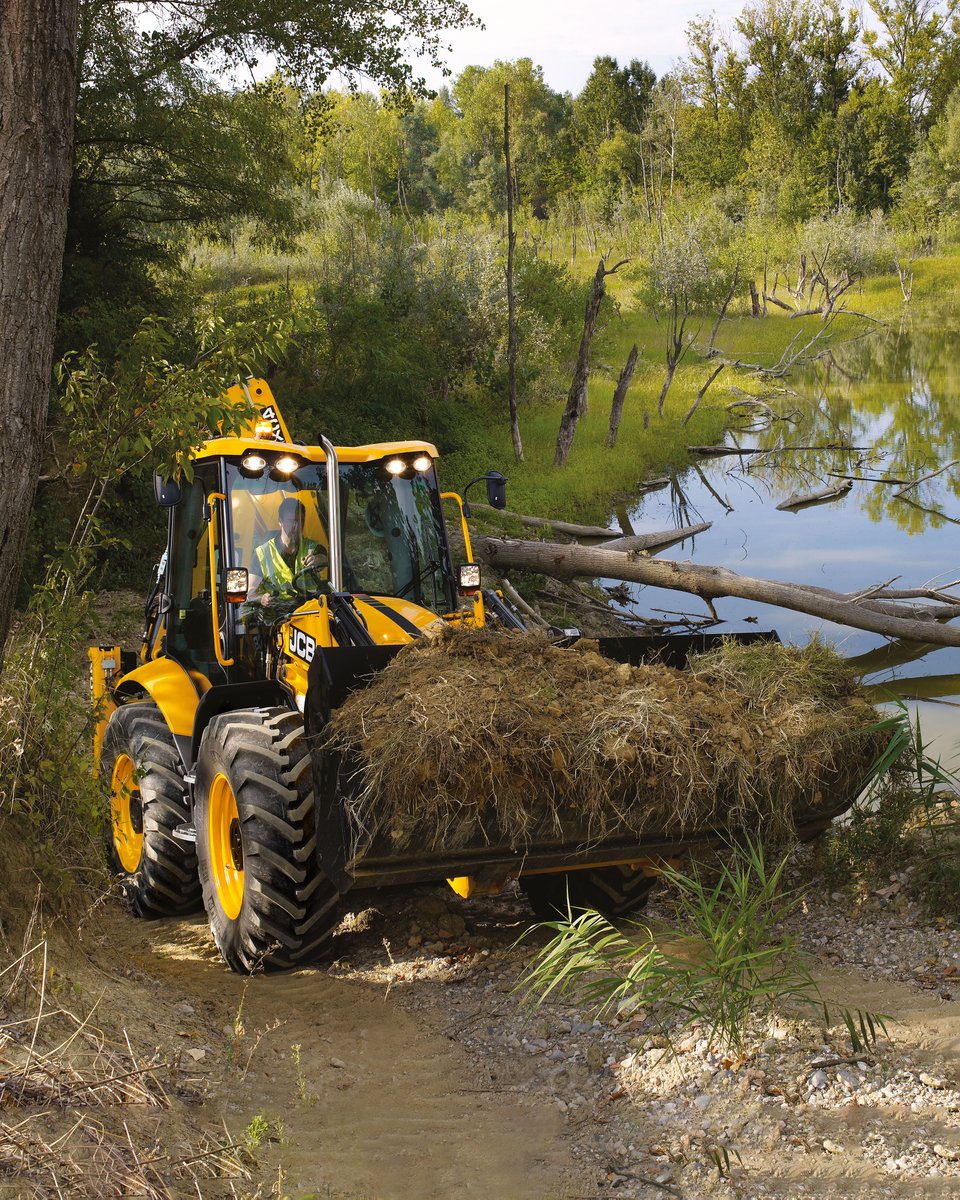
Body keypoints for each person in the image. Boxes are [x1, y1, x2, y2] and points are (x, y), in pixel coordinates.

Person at [251, 497, 327, 605]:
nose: (297, 526)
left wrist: (317, 560)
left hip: (310, 611)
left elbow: (323, 559)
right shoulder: (261, 554)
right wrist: (262, 598)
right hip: (279, 615)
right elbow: (250, 591)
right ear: (280, 521)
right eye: (292, 521)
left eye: (300, 521)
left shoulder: (313, 548)